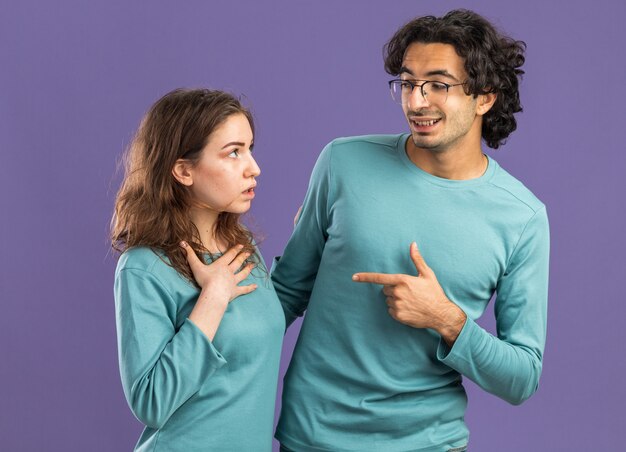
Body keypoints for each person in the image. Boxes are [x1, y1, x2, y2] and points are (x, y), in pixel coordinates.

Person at [272, 9, 549, 452]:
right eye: (407, 83)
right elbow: (285, 294)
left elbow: (522, 378)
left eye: (438, 84)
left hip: (429, 444)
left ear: (485, 97)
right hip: (312, 438)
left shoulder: (522, 218)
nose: (416, 101)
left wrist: (447, 319)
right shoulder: (342, 163)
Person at [111, 88, 285, 451]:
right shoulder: (144, 267)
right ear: (184, 170)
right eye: (233, 152)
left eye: (250, 149)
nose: (254, 168)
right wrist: (213, 298)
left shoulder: (244, 250)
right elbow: (152, 402)